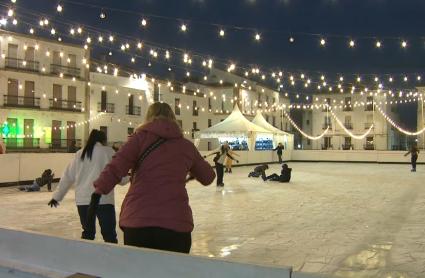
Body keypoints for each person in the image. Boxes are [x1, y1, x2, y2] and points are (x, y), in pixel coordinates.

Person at [87, 102, 215, 254]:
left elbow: (116, 166)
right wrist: (190, 170)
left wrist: (98, 192)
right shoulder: (186, 146)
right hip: (176, 225)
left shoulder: (138, 139)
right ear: (173, 118)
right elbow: (208, 176)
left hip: (138, 223)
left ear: (148, 118)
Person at [48, 130, 128, 244]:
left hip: (83, 200)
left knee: (88, 234)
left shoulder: (80, 154)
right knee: (109, 235)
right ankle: (111, 260)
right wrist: (128, 178)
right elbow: (118, 174)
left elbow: (68, 176)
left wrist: (57, 196)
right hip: (104, 199)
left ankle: (85, 259)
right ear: (103, 140)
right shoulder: (108, 152)